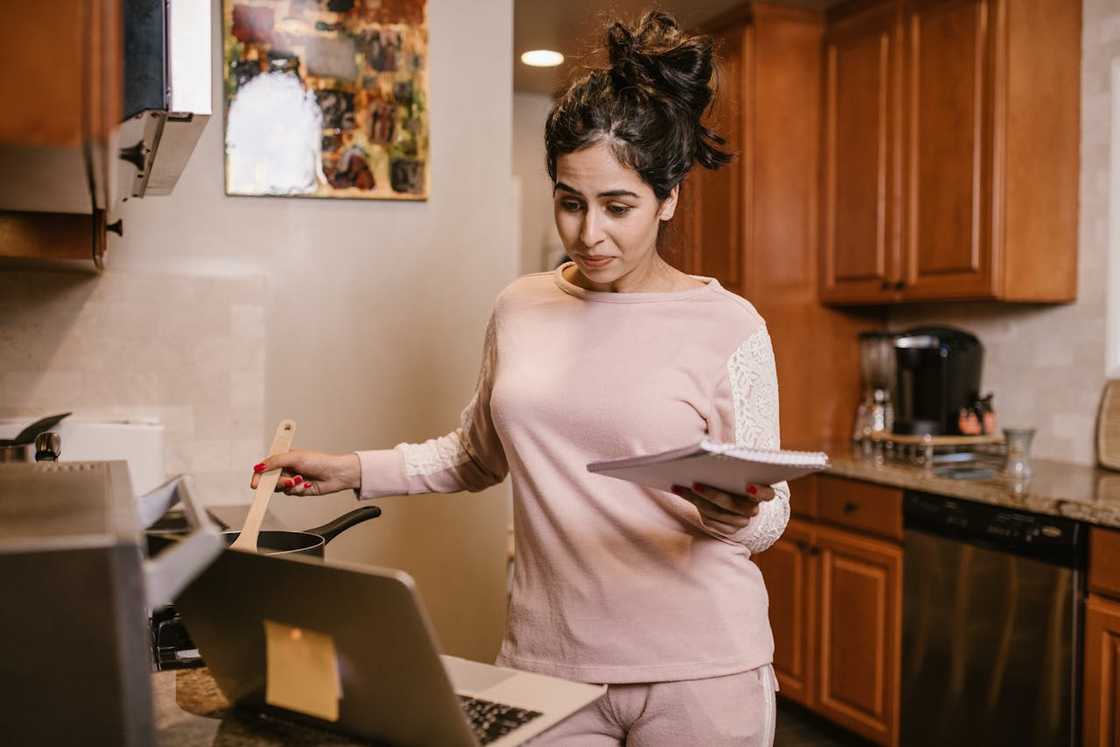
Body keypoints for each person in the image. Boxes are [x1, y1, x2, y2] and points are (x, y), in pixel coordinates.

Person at [251, 11, 789, 745]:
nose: (589, 232)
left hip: (703, 669)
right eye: (571, 202)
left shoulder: (733, 325)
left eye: (618, 206)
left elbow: (771, 508)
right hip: (550, 663)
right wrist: (349, 468)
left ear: (669, 199)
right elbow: (474, 453)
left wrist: (742, 515)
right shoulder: (521, 308)